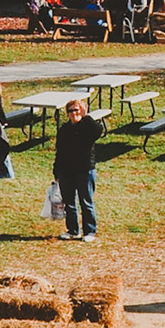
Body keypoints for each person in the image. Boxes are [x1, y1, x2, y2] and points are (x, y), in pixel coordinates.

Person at [52, 97, 106, 241]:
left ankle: (90, 231)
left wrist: (86, 116)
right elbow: (60, 151)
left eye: (76, 110)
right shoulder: (64, 129)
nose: (73, 113)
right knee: (69, 203)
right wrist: (56, 171)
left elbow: (97, 131)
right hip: (66, 171)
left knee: (86, 202)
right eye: (70, 111)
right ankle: (73, 230)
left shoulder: (88, 126)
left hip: (85, 170)